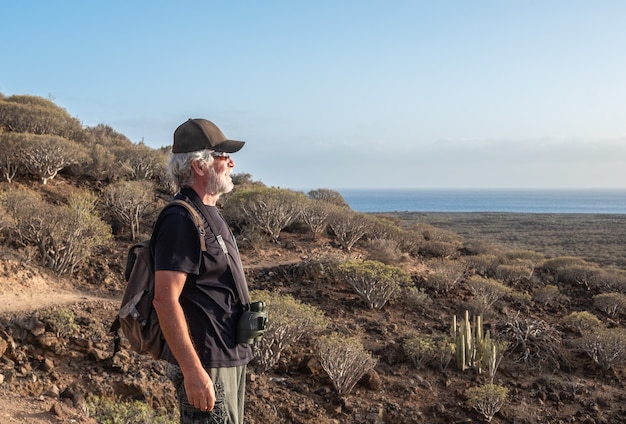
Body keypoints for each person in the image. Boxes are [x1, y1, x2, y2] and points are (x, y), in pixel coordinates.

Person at [152, 118, 253, 424]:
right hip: (206, 362)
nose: (232, 162)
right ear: (199, 165)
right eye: (223, 156)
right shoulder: (181, 219)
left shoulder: (207, 213)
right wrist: (193, 371)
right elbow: (165, 299)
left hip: (226, 356)